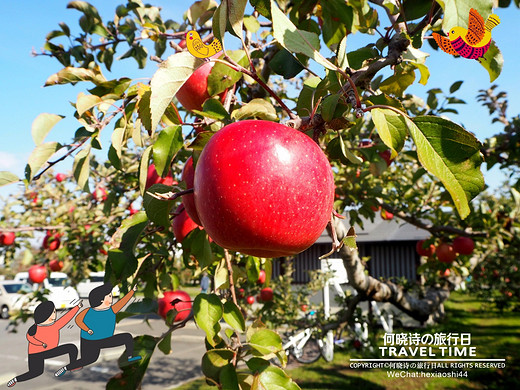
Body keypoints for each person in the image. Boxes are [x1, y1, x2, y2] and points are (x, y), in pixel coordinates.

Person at [54, 283, 141, 377]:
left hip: (105, 339)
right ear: (101, 300)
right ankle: (65, 368)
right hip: (89, 341)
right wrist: (87, 329)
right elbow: (78, 320)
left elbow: (123, 301)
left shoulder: (112, 309)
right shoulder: (88, 311)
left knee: (127, 337)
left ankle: (129, 357)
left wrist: (132, 291)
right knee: (88, 360)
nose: (111, 298)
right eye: (109, 296)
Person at [7, 300, 82, 387]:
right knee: (36, 372)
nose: (55, 315)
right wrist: (41, 344)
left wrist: (77, 307)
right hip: (36, 354)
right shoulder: (35, 328)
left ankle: (71, 366)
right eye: (53, 312)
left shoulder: (55, 325)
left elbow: (66, 318)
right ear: (45, 314)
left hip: (50, 350)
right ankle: (15, 379)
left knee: (71, 348)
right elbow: (30, 337)